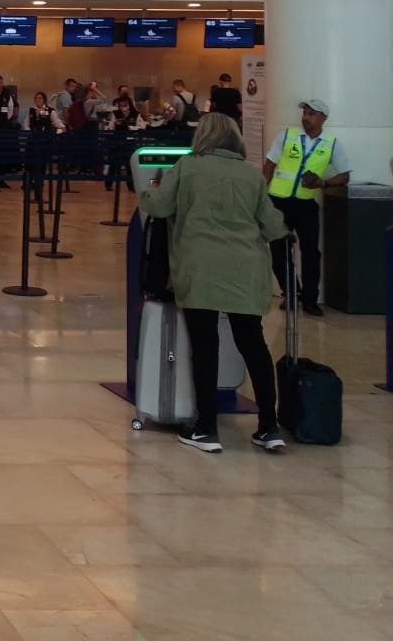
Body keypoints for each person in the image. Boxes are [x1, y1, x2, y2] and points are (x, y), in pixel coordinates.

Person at [139, 113, 289, 453]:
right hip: (245, 270)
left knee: (205, 346)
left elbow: (160, 207)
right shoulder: (251, 176)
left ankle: (206, 428)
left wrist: (149, 193)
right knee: (253, 344)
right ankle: (269, 426)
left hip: (201, 267)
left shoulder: (188, 168)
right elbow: (273, 226)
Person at [263, 98, 352, 317]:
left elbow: (344, 176)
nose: (306, 117)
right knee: (278, 251)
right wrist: (263, 195)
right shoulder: (287, 136)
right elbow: (269, 165)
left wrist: (323, 183)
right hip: (278, 202)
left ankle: (310, 299)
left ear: (323, 118)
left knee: (311, 252)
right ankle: (291, 293)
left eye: (312, 114)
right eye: (305, 113)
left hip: (305, 205)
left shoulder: (331, 143)